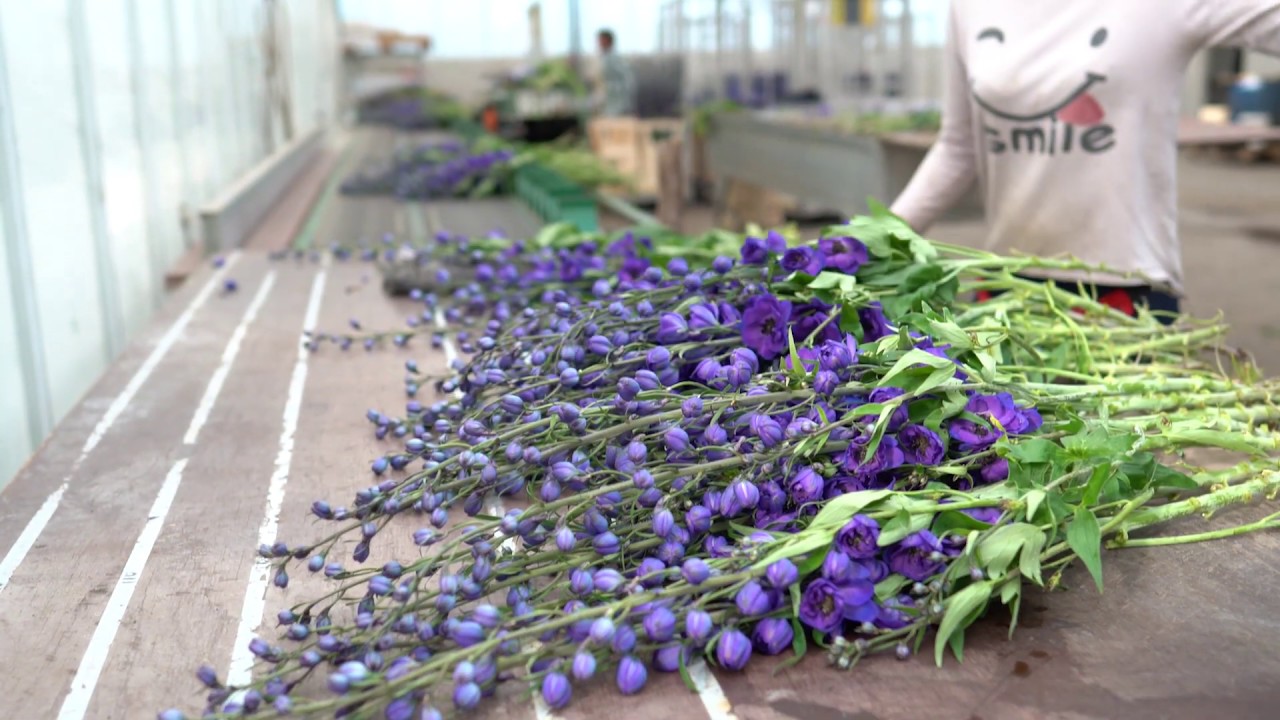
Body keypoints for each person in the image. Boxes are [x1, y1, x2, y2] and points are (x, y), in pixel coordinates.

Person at [890, 1, 1280, 320]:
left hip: (1124, 294)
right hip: (1007, 292)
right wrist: (875, 240)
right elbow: (959, 148)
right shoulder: (970, 7)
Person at [596, 29, 636, 117]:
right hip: (607, 99)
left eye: (601, 40)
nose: (599, 43)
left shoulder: (615, 58)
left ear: (608, 41)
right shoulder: (603, 58)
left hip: (617, 101)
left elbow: (628, 79)